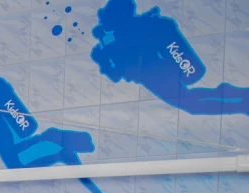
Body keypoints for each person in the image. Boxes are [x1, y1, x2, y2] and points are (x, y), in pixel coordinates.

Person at [91, 0, 248, 116]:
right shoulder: (135, 28)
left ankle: (239, 105)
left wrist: (102, 61)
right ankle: (230, 93)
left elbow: (117, 75)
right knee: (188, 98)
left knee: (190, 105)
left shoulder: (121, 38)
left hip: (153, 76)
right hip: (160, 70)